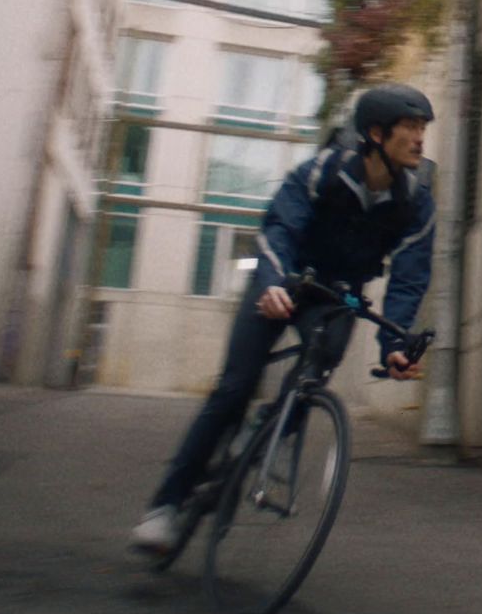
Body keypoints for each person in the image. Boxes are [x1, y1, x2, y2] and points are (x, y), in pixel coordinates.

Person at [130, 83, 438, 554]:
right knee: (233, 388)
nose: (420, 139)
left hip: (339, 296)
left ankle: (259, 440)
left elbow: (409, 279)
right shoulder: (323, 172)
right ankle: (165, 506)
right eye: (410, 128)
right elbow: (279, 226)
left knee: (311, 377)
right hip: (286, 280)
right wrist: (272, 281)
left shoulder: (417, 201)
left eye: (423, 129)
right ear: (376, 133)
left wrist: (392, 347)